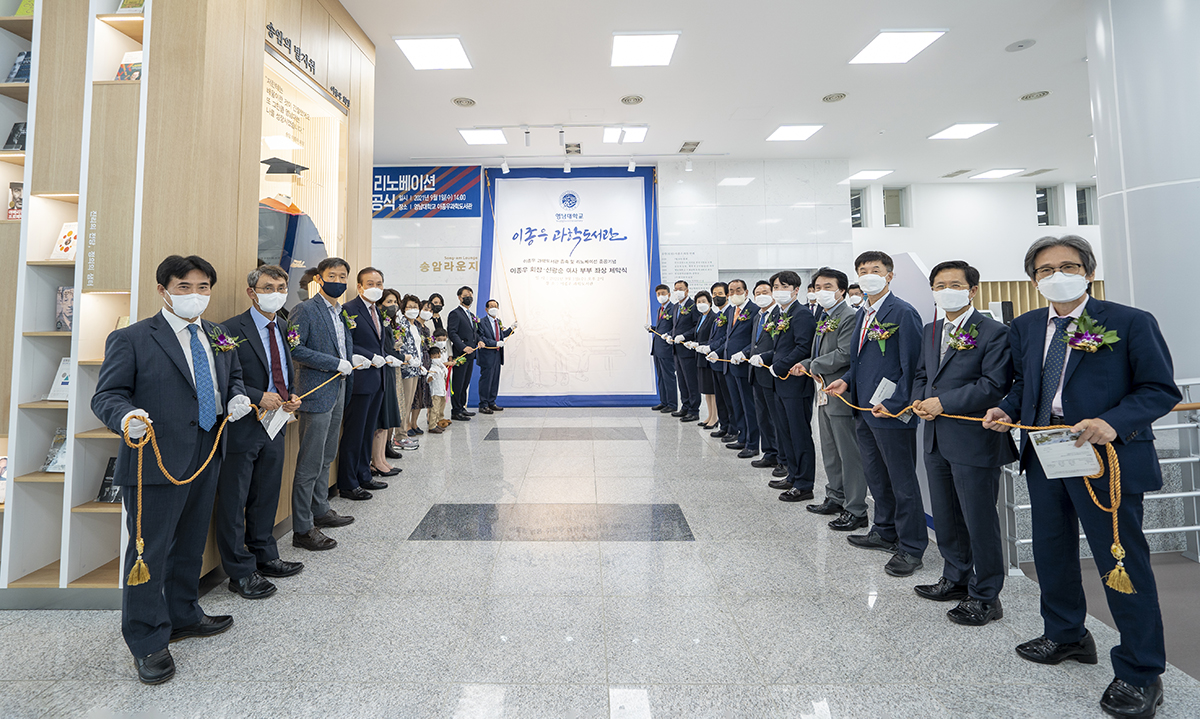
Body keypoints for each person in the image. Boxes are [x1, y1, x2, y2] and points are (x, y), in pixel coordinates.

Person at [983, 235, 1180, 719]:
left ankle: (1140, 672)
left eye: (1067, 266)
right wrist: (1005, 409)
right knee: (1051, 553)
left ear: (1087, 271)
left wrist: (1113, 421)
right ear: (1034, 278)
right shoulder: (1027, 325)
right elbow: (1026, 384)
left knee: (1121, 563)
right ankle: (1066, 634)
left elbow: (1159, 389)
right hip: (1047, 454)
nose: (1056, 275)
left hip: (1104, 458)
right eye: (1045, 269)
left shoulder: (1129, 321)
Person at [92, 255, 252, 685]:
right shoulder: (133, 337)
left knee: (190, 544)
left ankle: (184, 614)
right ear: (164, 290)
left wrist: (235, 397)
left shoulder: (218, 335)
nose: (195, 296)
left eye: (203, 288)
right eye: (185, 287)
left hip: (206, 450)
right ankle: (146, 640)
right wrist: (124, 418)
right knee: (149, 553)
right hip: (155, 459)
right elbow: (107, 395)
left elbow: (230, 377)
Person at [911, 260, 1016, 626]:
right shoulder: (930, 329)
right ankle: (955, 578)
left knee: (979, 519)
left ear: (972, 290)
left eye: (954, 284)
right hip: (936, 436)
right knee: (946, 515)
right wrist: (918, 400)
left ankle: (986, 595)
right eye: (939, 285)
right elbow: (924, 375)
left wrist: (944, 402)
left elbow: (993, 384)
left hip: (974, 439)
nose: (946, 290)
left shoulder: (993, 332)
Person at [826, 250, 926, 577]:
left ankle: (911, 548)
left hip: (890, 412)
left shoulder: (903, 313)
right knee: (876, 475)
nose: (869, 274)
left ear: (889, 275)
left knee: (901, 480)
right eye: (863, 270)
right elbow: (860, 362)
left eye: (876, 269)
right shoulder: (863, 313)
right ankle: (884, 530)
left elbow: (912, 368)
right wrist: (845, 381)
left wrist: (897, 405)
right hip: (864, 409)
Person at [215, 265, 306, 602]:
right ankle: (239, 572)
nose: (276, 292)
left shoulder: (282, 325)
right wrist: (257, 396)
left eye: (281, 286)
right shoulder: (228, 330)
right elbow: (223, 380)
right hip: (244, 424)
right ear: (252, 292)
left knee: (266, 493)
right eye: (269, 287)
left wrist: (290, 396)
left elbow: (282, 370)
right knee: (235, 498)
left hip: (276, 423)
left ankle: (265, 555)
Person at [288, 256, 360, 552]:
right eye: (333, 275)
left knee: (327, 454)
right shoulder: (305, 309)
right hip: (316, 391)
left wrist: (351, 360)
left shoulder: (340, 311)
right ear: (319, 278)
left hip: (338, 388)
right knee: (309, 461)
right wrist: (335, 363)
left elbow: (342, 347)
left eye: (343, 277)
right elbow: (295, 349)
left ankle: (320, 509)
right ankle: (303, 528)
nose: (339, 281)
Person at [795, 267, 869, 531]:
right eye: (817, 287)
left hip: (841, 395)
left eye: (828, 286)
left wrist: (813, 364)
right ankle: (835, 497)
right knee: (830, 450)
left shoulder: (848, 316)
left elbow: (844, 354)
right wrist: (807, 363)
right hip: (824, 393)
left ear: (841, 290)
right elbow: (821, 351)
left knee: (849, 454)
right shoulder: (826, 316)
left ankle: (856, 509)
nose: (821, 291)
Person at [337, 268, 397, 500]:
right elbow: (346, 342)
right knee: (354, 433)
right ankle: (348, 483)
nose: (375, 287)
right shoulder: (349, 310)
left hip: (378, 379)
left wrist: (385, 355)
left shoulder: (377, 311)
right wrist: (370, 356)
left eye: (379, 283)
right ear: (359, 286)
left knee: (367, 431)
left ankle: (364, 474)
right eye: (370, 283)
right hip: (360, 379)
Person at [763, 270, 817, 501]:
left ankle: (804, 485)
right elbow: (780, 348)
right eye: (776, 286)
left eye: (784, 286)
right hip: (780, 383)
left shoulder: (802, 314)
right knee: (786, 433)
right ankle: (792, 475)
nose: (779, 291)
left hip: (795, 384)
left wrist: (781, 365)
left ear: (796, 290)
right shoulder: (781, 314)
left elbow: (803, 347)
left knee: (799, 434)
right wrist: (765, 358)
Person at [710, 281, 759, 457]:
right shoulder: (731, 310)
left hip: (743, 364)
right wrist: (716, 352)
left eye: (738, 290)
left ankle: (753, 443)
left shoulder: (753, 310)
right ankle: (742, 437)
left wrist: (743, 353)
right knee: (736, 404)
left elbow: (754, 339)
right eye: (731, 291)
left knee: (748, 405)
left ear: (746, 291)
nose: (734, 293)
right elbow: (727, 337)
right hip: (728, 364)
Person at [742, 281, 781, 465]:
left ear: (773, 293)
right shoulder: (758, 316)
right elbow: (754, 344)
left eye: (765, 292)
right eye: (757, 293)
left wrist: (765, 357)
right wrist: (745, 353)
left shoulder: (779, 315)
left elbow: (780, 346)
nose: (761, 295)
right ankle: (769, 453)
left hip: (771, 372)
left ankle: (781, 458)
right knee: (763, 416)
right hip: (755, 373)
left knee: (776, 419)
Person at [372, 289, 404, 475]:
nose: (393, 305)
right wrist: (402, 355)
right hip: (382, 369)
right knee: (380, 420)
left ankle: (382, 458)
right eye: (389, 301)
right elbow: (384, 349)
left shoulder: (388, 323)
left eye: (395, 301)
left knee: (386, 420)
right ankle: (376, 460)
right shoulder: (379, 323)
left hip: (390, 371)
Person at [700, 282, 731, 432]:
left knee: (727, 398)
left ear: (727, 295)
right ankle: (724, 426)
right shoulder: (719, 314)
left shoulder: (730, 313)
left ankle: (731, 428)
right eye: (714, 294)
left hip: (723, 360)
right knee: (720, 397)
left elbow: (727, 337)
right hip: (714, 361)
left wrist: (713, 348)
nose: (716, 297)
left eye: (720, 294)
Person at [448, 286, 483, 421]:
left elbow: (476, 333)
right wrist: (463, 347)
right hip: (460, 355)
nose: (469, 297)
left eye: (471, 295)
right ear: (459, 297)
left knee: (465, 383)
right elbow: (452, 333)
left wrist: (479, 341)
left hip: (471, 354)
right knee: (458, 383)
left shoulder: (472, 315)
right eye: (466, 295)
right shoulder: (455, 313)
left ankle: (462, 407)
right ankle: (455, 411)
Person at [669, 280, 700, 422]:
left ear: (687, 290)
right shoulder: (676, 307)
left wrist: (684, 336)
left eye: (680, 289)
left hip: (688, 351)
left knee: (691, 381)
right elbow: (676, 327)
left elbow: (696, 327)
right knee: (681, 381)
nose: (677, 291)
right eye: (675, 289)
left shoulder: (693, 306)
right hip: (677, 350)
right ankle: (685, 406)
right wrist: (670, 335)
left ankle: (694, 410)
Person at [395, 294, 425, 440]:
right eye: (410, 307)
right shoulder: (402, 324)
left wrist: (420, 363)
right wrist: (410, 360)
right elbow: (400, 346)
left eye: (415, 307)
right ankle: (400, 435)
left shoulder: (415, 326)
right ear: (403, 308)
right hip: (406, 368)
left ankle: (403, 434)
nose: (413, 309)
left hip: (415, 369)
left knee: (410, 403)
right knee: (404, 403)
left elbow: (417, 347)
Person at [478, 299, 516, 413]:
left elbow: (500, 335)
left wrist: (511, 329)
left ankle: (491, 402)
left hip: (497, 355)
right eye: (491, 306)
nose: (494, 308)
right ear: (486, 309)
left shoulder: (497, 322)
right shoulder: (481, 322)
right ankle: (483, 404)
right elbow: (481, 337)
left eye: (495, 306)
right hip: (487, 355)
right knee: (486, 380)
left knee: (494, 379)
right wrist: (495, 343)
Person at [687, 290, 719, 427]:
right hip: (700, 356)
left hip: (709, 355)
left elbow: (713, 338)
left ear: (710, 303)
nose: (701, 304)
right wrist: (693, 343)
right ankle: (709, 415)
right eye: (698, 302)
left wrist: (701, 345)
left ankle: (715, 418)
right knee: (706, 389)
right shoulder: (701, 318)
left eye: (703, 301)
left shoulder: (713, 317)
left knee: (712, 390)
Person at [647, 284, 678, 414]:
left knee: (668, 376)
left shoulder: (673, 309)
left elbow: (676, 327)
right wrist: (653, 328)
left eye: (663, 293)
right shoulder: (660, 309)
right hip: (658, 348)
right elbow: (662, 328)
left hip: (666, 348)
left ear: (669, 294)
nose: (661, 296)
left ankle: (672, 403)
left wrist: (669, 334)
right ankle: (664, 401)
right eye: (658, 294)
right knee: (660, 376)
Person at [407, 300, 435, 432]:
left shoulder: (427, 329)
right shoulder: (414, 324)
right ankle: (406, 425)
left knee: (421, 395)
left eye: (430, 311)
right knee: (412, 396)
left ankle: (414, 423)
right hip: (416, 362)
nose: (428, 312)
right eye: (426, 309)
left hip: (426, 362)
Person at [431, 328, 451, 429]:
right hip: (436, 379)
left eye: (444, 339)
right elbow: (436, 362)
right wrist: (448, 364)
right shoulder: (433, 350)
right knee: (436, 401)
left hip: (443, 377)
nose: (442, 342)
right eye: (439, 340)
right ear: (434, 339)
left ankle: (440, 417)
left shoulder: (445, 349)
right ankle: (432, 421)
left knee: (443, 399)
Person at [426, 344, 449, 434]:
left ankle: (438, 423)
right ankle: (432, 426)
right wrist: (432, 377)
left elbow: (445, 373)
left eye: (438, 356)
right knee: (434, 409)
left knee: (440, 408)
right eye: (435, 357)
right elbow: (428, 379)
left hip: (442, 391)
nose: (437, 358)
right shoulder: (432, 368)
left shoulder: (441, 366)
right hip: (435, 392)